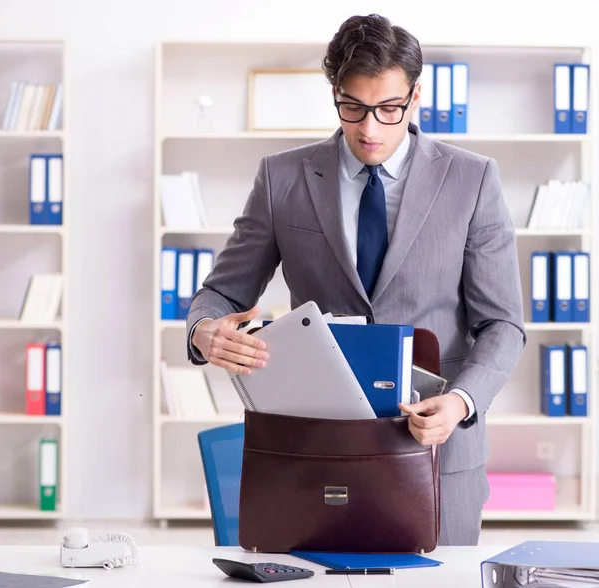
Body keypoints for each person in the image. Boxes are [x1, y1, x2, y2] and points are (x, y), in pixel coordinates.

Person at [185, 13, 526, 545]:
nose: (370, 129)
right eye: (353, 107)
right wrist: (203, 331)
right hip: (316, 454)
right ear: (335, 95)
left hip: (438, 450)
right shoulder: (283, 178)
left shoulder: (472, 179)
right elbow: (223, 291)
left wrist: (462, 402)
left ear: (415, 97)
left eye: (389, 109)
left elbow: (503, 323)